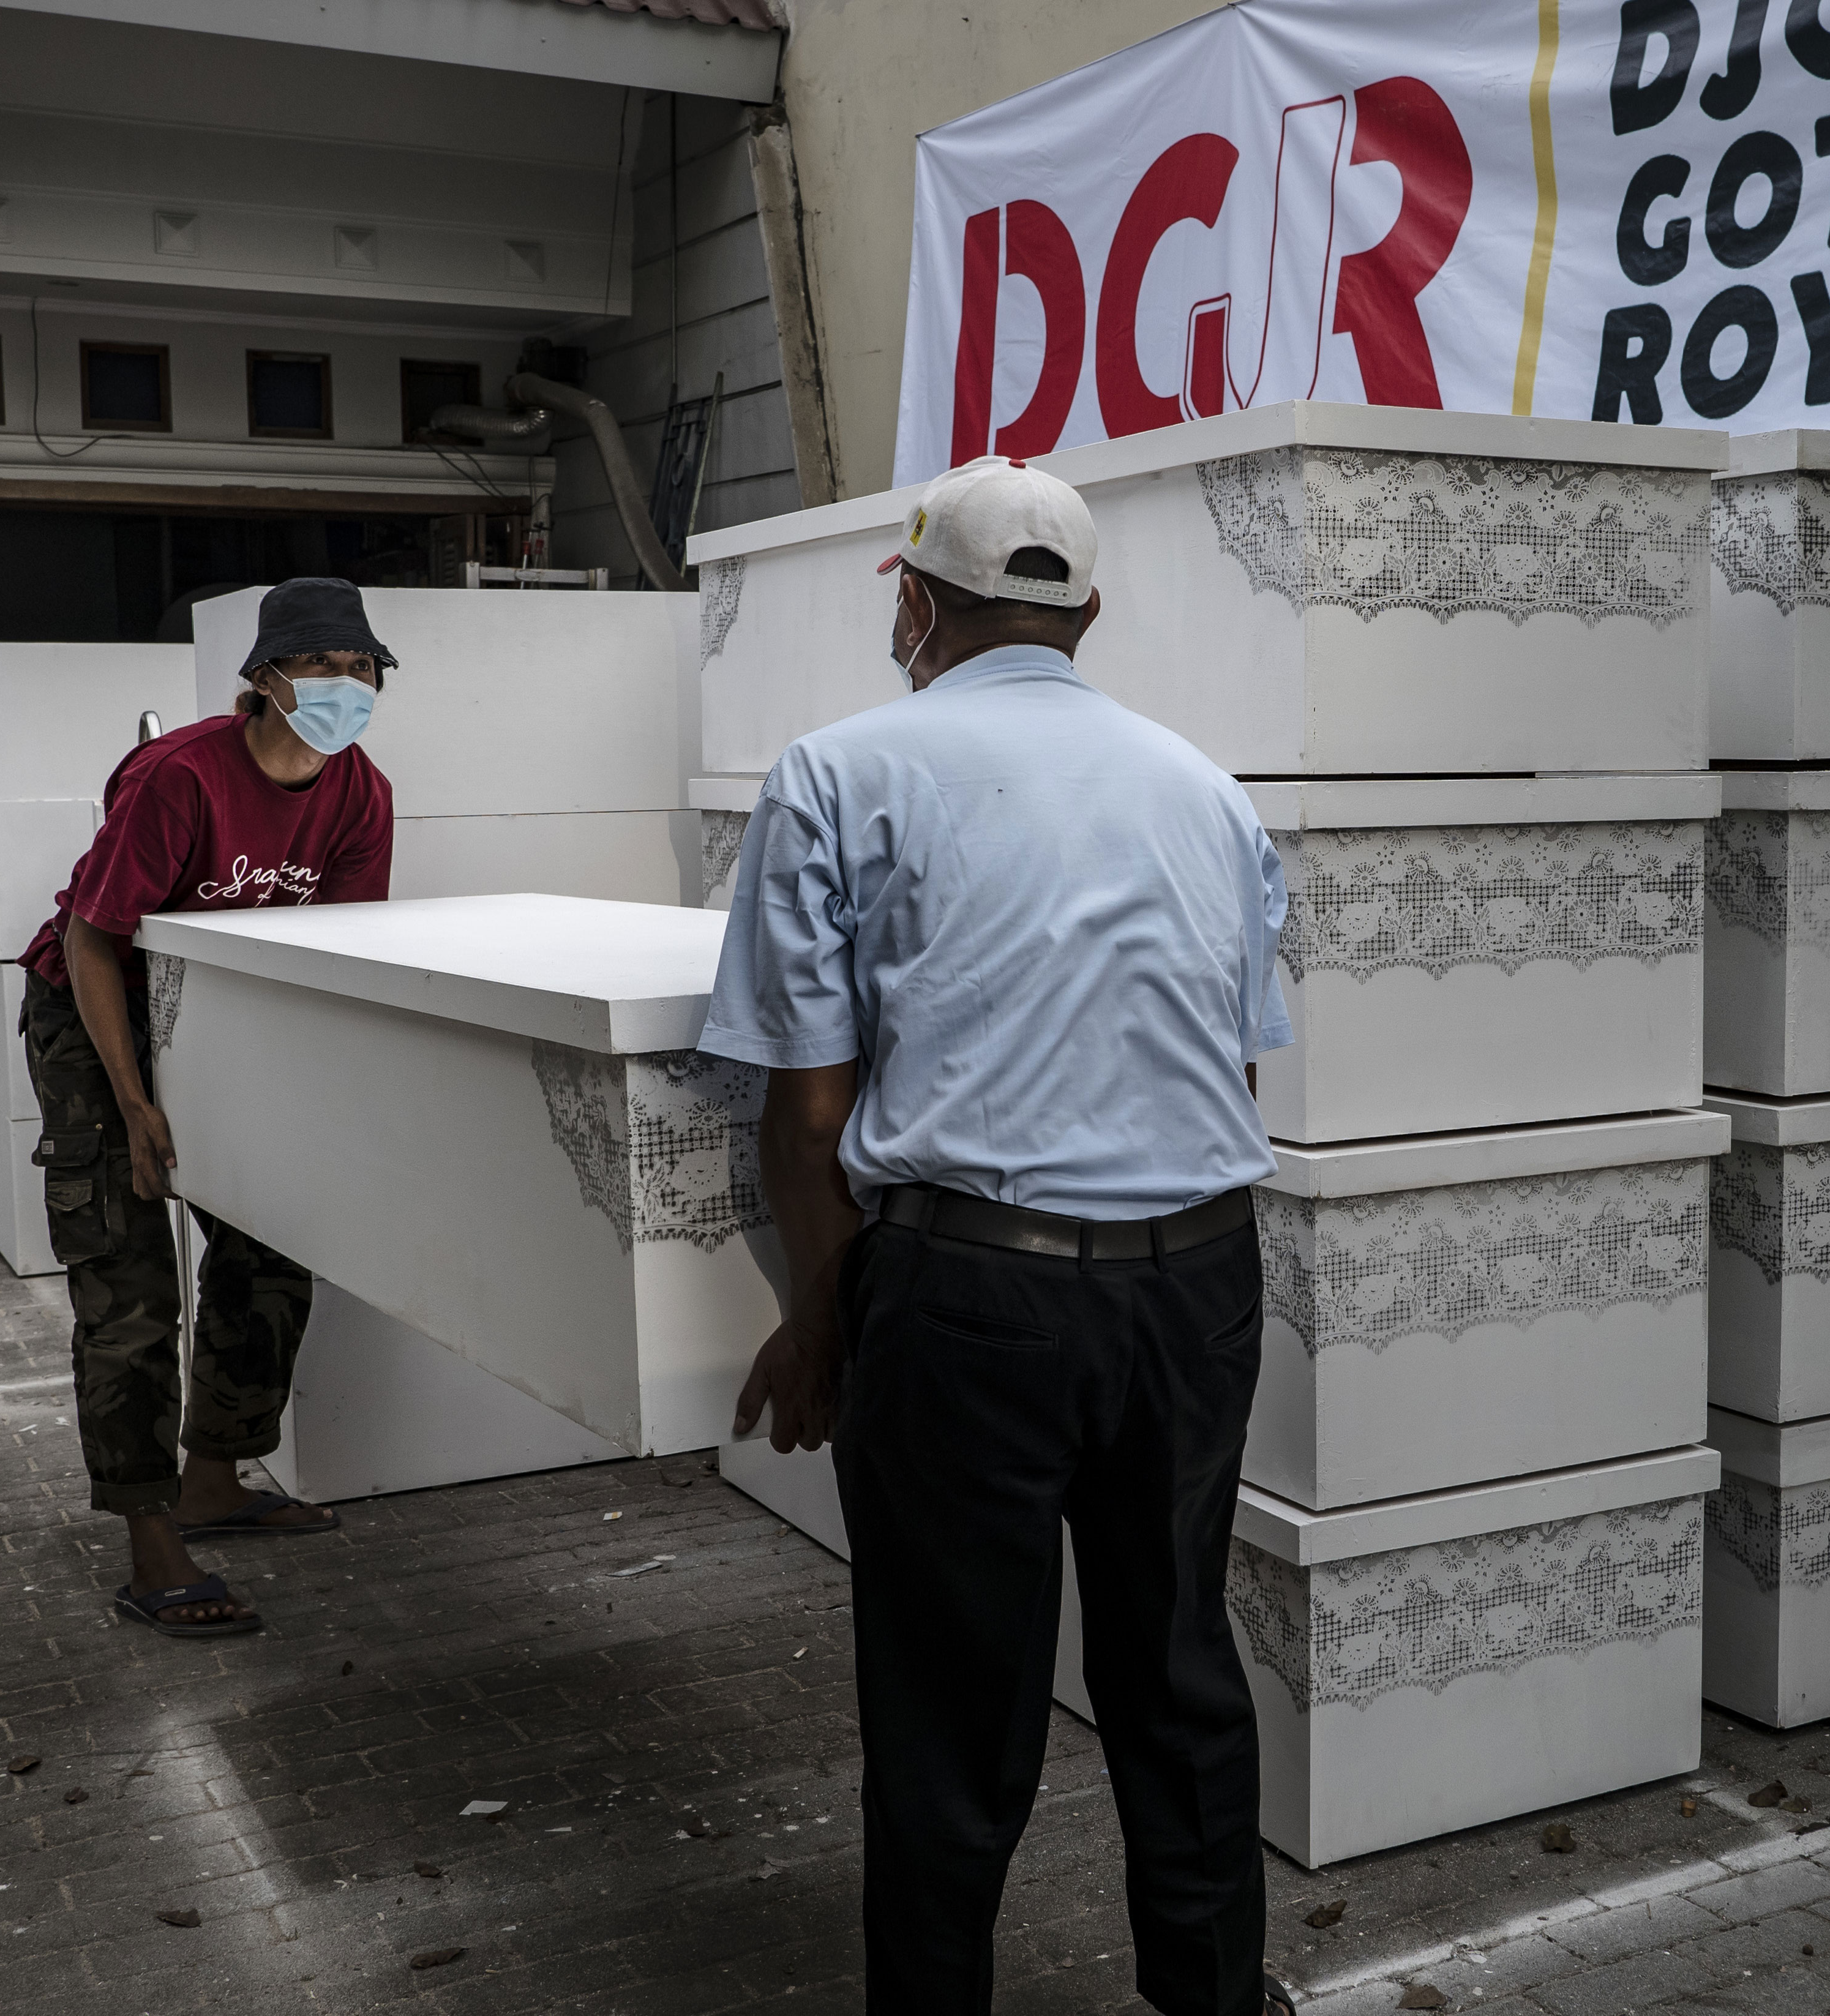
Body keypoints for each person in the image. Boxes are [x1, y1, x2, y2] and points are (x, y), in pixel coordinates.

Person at [701, 457, 1299, 2016]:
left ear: (912, 599)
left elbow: (811, 1109)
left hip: (972, 1302)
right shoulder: (1209, 793)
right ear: (1086, 612)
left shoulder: (837, 773)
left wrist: (824, 1322)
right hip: (1200, 1279)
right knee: (1175, 1668)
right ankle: (1220, 1998)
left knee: (952, 1705)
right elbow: (1225, 1067)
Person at [14, 576, 399, 1637]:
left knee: (270, 1243)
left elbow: (334, 958)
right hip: (96, 1013)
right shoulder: (180, 777)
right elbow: (94, 939)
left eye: (363, 668)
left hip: (229, 1021)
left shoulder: (361, 792)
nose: (346, 686)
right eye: (322, 665)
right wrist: (134, 1106)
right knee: (128, 1270)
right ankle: (149, 1539)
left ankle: (215, 1477)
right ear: (266, 679)